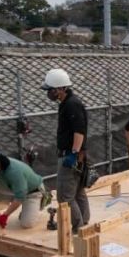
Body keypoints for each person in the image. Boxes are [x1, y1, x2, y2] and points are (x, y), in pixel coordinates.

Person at [43, 68, 91, 230]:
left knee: (65, 197)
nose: (49, 93)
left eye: (50, 90)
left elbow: (79, 130)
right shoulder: (67, 103)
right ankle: (84, 223)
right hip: (75, 154)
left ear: (60, 88)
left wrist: (73, 153)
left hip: (71, 155)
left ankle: (78, 228)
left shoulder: (72, 104)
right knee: (78, 192)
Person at [0, 149, 51, 229]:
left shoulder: (14, 172)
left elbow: (20, 197)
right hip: (13, 187)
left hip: (32, 192)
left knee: (27, 224)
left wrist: (5, 215)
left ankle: (38, 202)